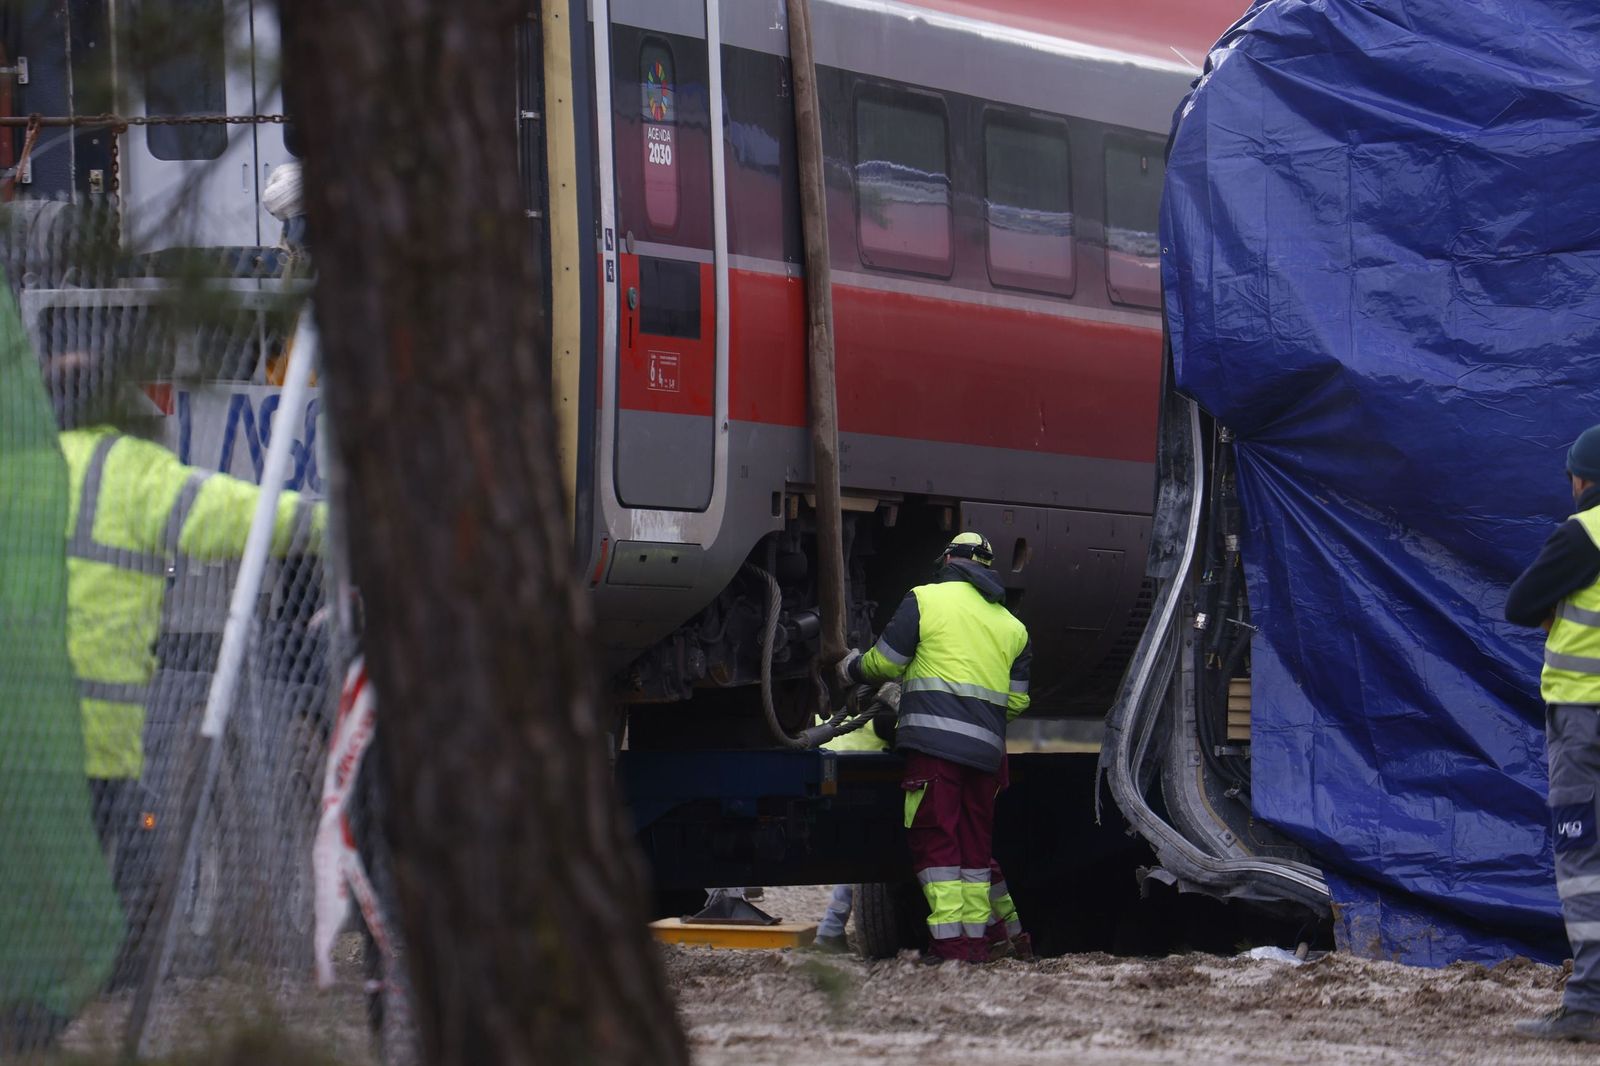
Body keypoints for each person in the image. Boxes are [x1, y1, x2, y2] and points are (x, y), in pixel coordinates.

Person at [46, 350, 325, 982]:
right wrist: (332, 524)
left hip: (27, 736)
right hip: (100, 744)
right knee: (139, 864)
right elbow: (238, 514)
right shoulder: (138, 476)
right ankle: (93, 996)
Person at [836, 532, 1031, 963]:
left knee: (937, 846)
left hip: (935, 753)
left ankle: (950, 949)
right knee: (974, 853)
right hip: (986, 758)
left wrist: (851, 668)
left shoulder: (925, 599)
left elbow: (885, 662)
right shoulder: (1013, 627)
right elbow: (1016, 702)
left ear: (948, 560)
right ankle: (977, 946)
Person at [1507, 424, 1600, 1043]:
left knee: (1585, 861)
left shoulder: (1583, 534)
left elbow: (1520, 604)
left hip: (1584, 724)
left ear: (1582, 480)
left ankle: (1589, 1006)